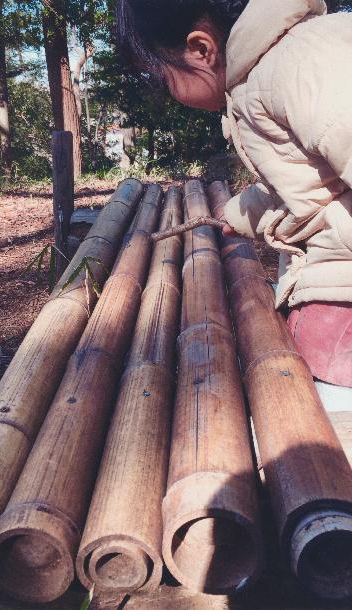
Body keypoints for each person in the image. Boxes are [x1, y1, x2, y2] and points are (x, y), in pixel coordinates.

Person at [115, 0, 352, 408]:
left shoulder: (299, 64)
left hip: (343, 287)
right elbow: (305, 185)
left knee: (313, 388)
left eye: (161, 77)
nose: (166, 93)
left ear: (201, 49)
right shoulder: (262, 76)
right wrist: (238, 212)